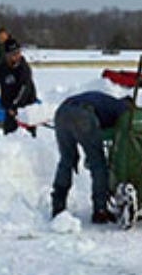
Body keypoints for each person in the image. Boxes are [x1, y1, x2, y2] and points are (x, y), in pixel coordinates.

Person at [50, 91, 133, 223]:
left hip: (62, 111)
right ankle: (100, 211)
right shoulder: (124, 109)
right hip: (84, 115)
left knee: (66, 160)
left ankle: (58, 206)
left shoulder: (107, 102)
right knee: (98, 164)